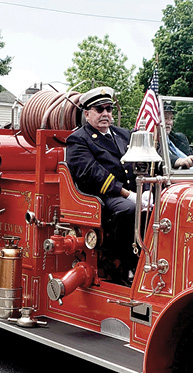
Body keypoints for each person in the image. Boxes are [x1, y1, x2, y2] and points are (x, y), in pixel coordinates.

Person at [66, 87, 138, 282]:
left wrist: (149, 189)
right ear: (87, 113)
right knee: (129, 209)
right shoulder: (78, 139)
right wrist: (128, 194)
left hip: (131, 191)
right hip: (102, 196)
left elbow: (142, 161)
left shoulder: (123, 134)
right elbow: (92, 174)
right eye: (100, 109)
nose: (106, 113)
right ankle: (120, 266)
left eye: (109, 109)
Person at [163, 104, 193, 169]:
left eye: (171, 118)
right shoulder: (152, 143)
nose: (169, 122)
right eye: (165, 118)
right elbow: (161, 157)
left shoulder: (179, 138)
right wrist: (180, 161)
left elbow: (192, 156)